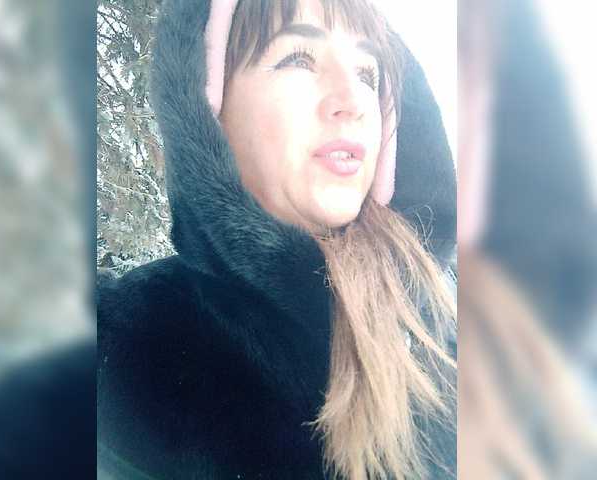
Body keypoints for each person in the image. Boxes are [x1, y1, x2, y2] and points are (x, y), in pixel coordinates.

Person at [97, 0, 457, 479]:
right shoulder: (124, 355)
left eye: (367, 74)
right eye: (297, 59)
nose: (351, 100)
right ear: (209, 109)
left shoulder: (462, 322)